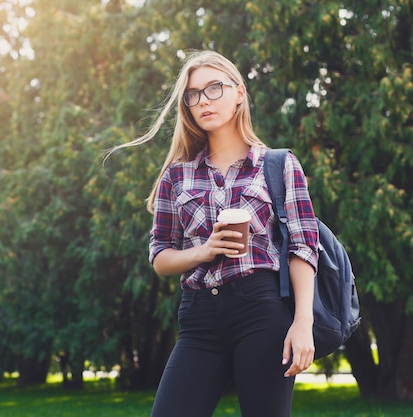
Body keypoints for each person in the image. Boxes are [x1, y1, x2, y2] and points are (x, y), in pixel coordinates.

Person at [112, 50, 319, 417]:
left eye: (214, 88)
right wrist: (203, 251)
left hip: (261, 309)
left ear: (239, 92)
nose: (203, 100)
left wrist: (303, 323)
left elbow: (303, 248)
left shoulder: (279, 164)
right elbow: (160, 256)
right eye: (193, 95)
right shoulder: (176, 176)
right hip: (199, 316)